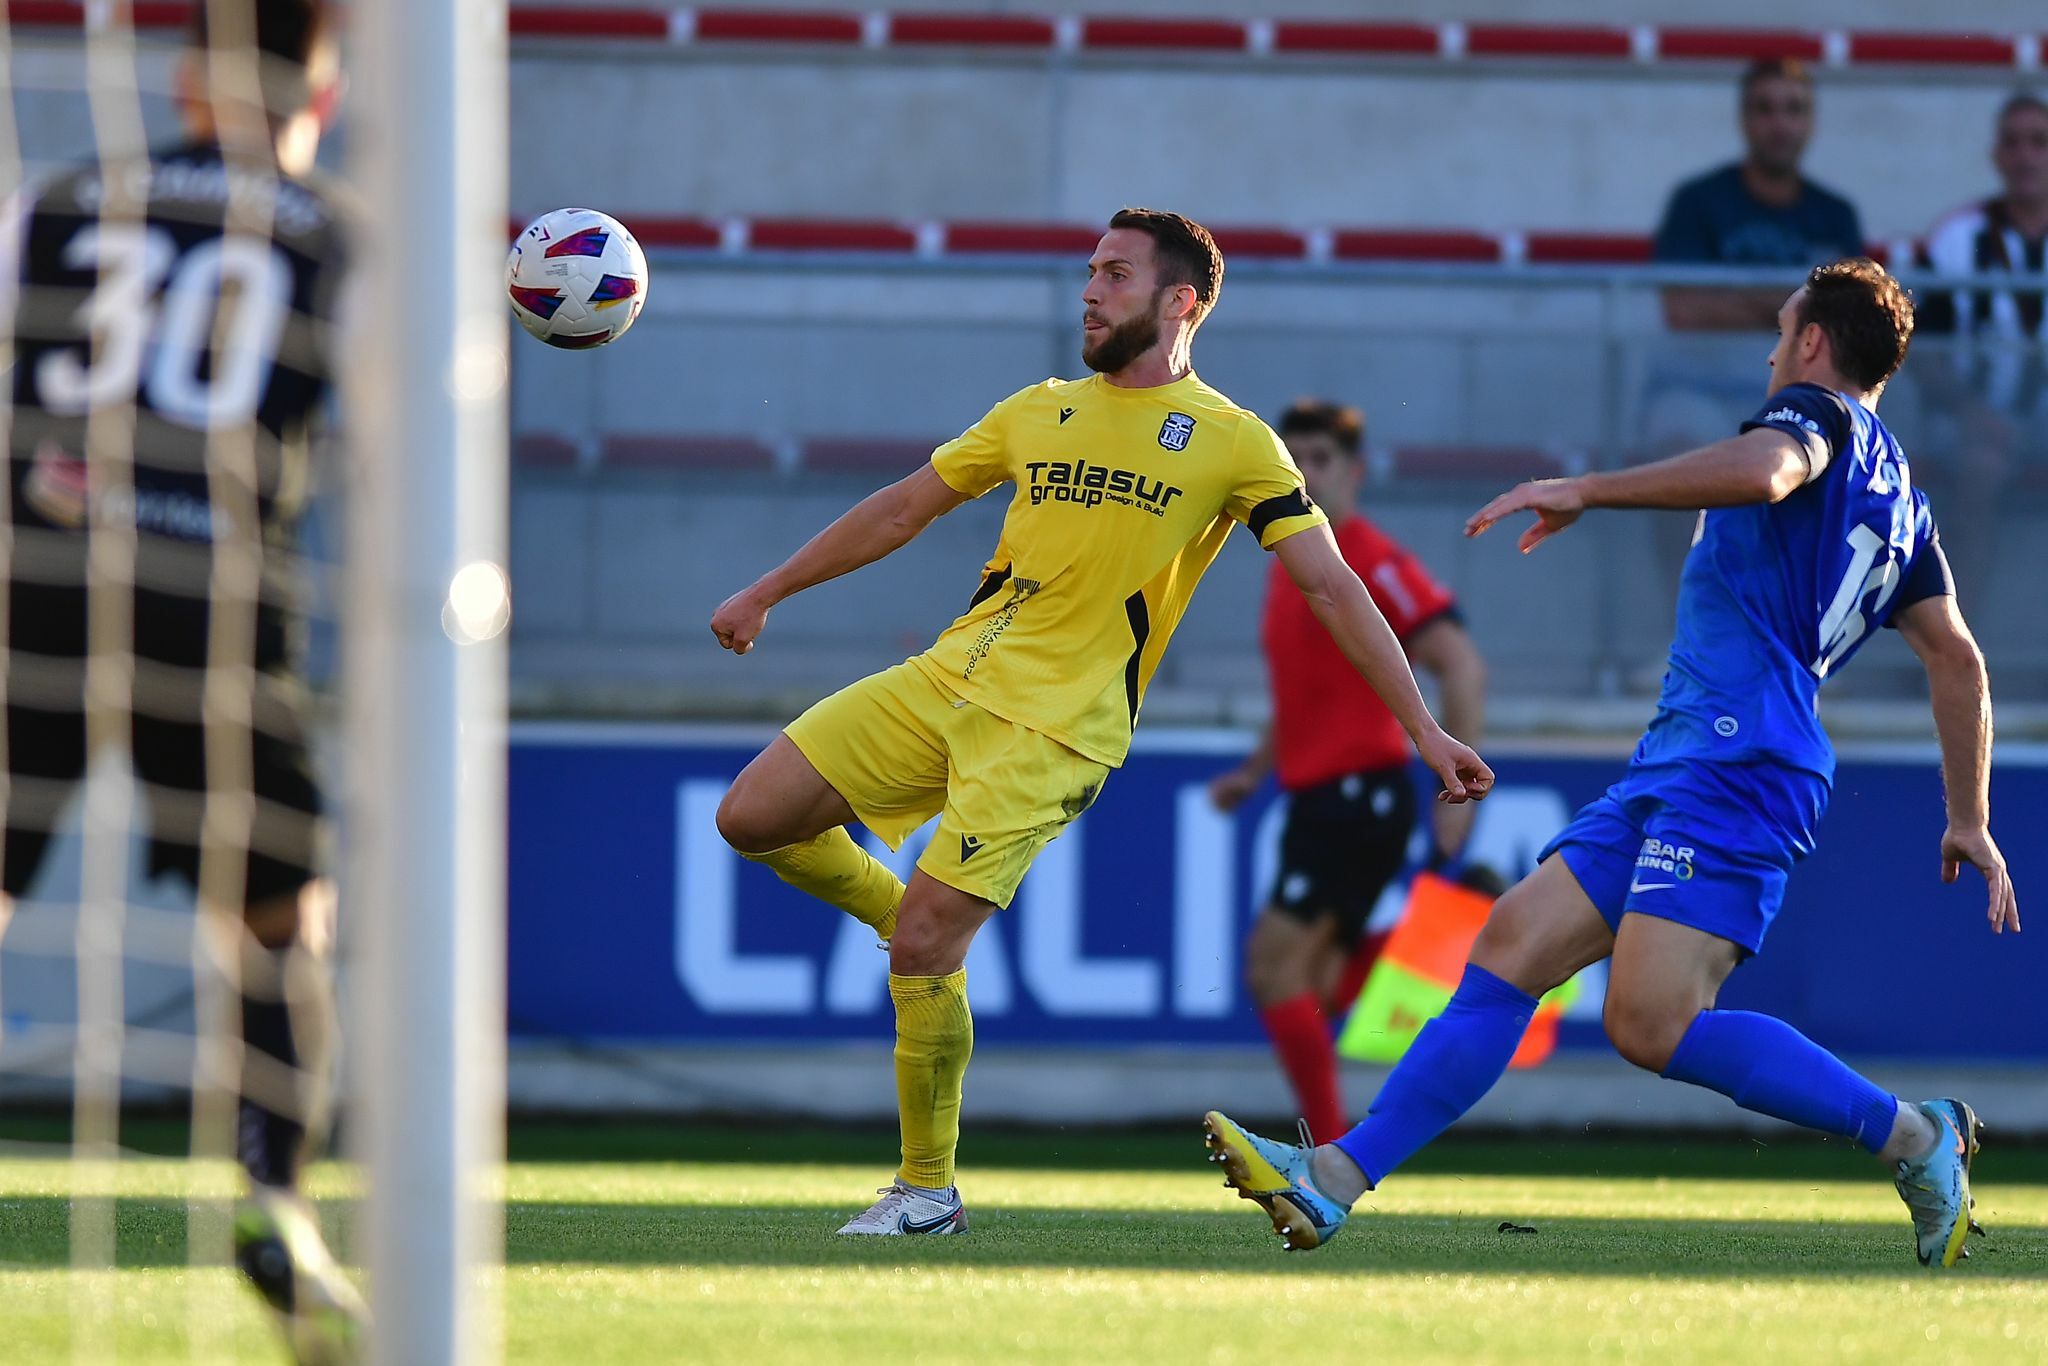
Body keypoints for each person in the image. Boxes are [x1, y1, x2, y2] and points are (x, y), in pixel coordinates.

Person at [1204, 259, 2019, 1271]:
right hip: (1687, 755)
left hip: (1743, 761)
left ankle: (1912, 1134)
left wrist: (1588, 486)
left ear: (1812, 343)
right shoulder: (1903, 502)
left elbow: (1766, 472)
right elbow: (1955, 656)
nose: (1770, 350)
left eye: (1779, 329)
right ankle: (1332, 1178)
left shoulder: (1812, 418)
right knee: (1507, 945)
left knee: (1650, 1021)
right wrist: (1967, 813)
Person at [710, 208, 1492, 1237]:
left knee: (925, 949)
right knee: (748, 817)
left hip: (1053, 728)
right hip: (947, 676)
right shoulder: (1037, 409)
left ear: (1180, 302)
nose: (1087, 290)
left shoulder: (1233, 442)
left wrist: (1423, 730)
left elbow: (1333, 588)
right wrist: (768, 588)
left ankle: (924, 1192)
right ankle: (893, 912)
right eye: (1087, 271)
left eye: (1114, 275)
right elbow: (903, 508)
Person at [0, 2, 363, 1356]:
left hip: (29, 583)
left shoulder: (65, 198)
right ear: (319, 101)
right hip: (212, 604)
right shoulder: (333, 233)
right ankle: (279, 1197)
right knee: (277, 919)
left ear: (186, 86)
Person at [1207, 398, 1485, 1145]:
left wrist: (1454, 790)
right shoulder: (1296, 558)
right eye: (1292, 461)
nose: (1304, 475)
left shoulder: (1369, 558)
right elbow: (1307, 691)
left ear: (1355, 472)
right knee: (1316, 985)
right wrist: (1254, 770)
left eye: (1321, 461)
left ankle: (1327, 1154)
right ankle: (1437, 959)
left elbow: (1459, 663)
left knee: (1273, 970)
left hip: (1358, 794)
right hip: (1321, 796)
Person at [1912, 91, 2048, 602]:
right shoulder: (1957, 238)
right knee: (1978, 469)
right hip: (1972, 421)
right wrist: (1970, 411)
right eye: (2013, 143)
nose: (2026, 156)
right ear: (1996, 156)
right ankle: (1963, 650)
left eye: (2039, 142)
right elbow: (1924, 351)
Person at [1654, 59, 1866, 332]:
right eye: (1765, 109)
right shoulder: (1695, 203)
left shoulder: (1837, 215)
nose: (1780, 125)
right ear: (1744, 119)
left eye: (1794, 109)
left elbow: (1847, 321)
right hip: (1714, 373)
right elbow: (1683, 310)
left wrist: (1735, 303)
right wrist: (1801, 308)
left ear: (1811, 122)